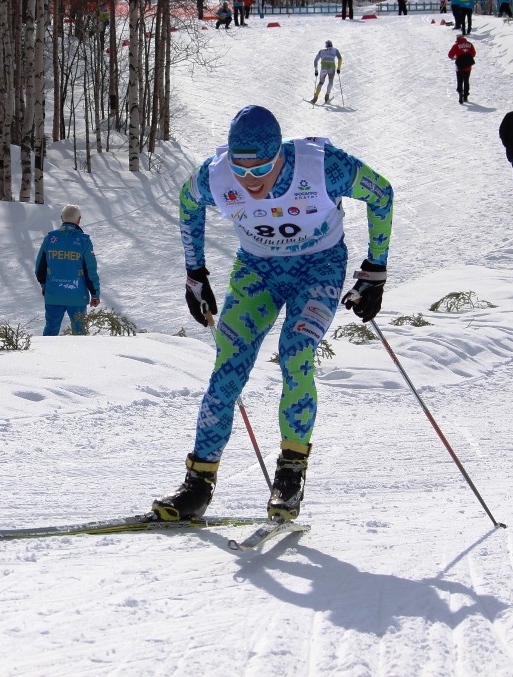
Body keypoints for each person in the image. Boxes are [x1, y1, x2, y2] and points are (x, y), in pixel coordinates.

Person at [151, 105, 393, 523]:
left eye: (260, 168)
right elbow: (188, 204)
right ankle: (197, 485)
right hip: (257, 271)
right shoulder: (215, 174)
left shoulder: (322, 167)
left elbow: (382, 192)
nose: (251, 181)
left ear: (279, 154)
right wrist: (195, 273)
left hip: (318, 268)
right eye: (241, 171)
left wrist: (375, 270)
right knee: (229, 364)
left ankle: (290, 476)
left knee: (296, 351)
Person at [35, 205, 101, 335]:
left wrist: (44, 285)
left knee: (50, 331)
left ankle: (45, 354)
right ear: (79, 220)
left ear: (61, 218)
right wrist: (95, 294)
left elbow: (39, 268)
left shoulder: (49, 239)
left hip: (53, 294)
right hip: (77, 295)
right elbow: (90, 270)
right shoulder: (84, 241)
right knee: (79, 332)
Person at [311, 40, 343, 104]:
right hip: (332, 67)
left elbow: (315, 61)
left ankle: (315, 98)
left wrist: (316, 70)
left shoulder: (321, 51)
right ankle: (327, 96)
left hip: (324, 67)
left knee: (321, 82)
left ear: (326, 46)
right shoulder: (335, 50)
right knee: (330, 81)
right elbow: (340, 58)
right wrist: (339, 68)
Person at [448, 34, 476, 104]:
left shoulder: (456, 45)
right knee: (466, 80)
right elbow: (474, 53)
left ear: (457, 39)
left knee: (460, 81)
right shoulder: (470, 44)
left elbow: (450, 55)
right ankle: (466, 96)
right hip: (468, 66)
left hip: (459, 66)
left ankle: (460, 94)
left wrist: (456, 57)